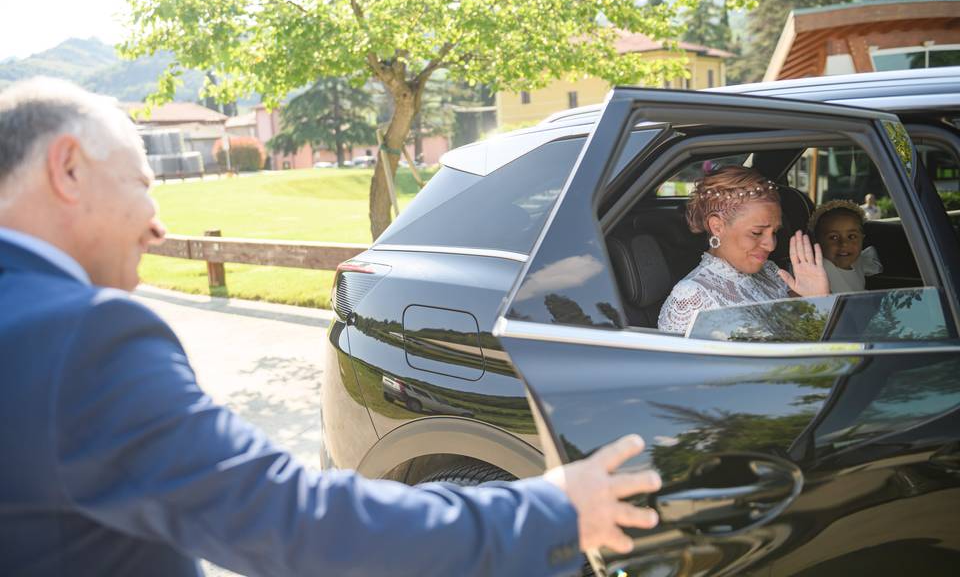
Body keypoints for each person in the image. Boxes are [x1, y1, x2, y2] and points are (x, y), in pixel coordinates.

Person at [0, 78, 662, 576]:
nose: (157, 224)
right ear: (67, 168)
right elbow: (291, 523)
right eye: (142, 183)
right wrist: (553, 510)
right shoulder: (80, 339)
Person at [658, 166, 829, 335]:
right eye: (757, 233)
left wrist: (818, 301)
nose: (771, 245)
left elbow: (809, 336)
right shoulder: (692, 298)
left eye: (775, 232)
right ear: (717, 226)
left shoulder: (769, 273)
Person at [809, 200, 882, 293]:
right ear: (817, 241)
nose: (844, 243)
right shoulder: (822, 271)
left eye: (852, 236)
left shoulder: (857, 261)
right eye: (833, 237)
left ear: (862, 238)